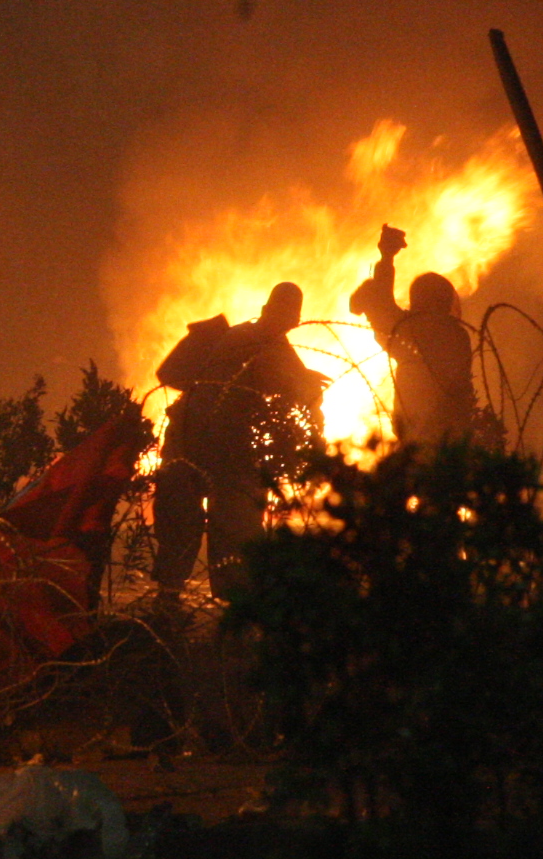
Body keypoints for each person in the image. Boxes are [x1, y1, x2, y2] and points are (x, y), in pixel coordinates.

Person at [151, 282, 324, 602]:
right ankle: (227, 619)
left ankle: (170, 602)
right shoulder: (264, 345)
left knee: (181, 528)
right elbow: (293, 388)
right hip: (225, 451)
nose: (293, 321)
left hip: (188, 441)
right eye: (291, 314)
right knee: (234, 533)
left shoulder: (242, 338)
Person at [346, 225, 478, 447]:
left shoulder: (429, 331)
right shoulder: (452, 332)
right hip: (446, 434)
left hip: (427, 436)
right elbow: (387, 316)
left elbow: (385, 314)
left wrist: (386, 259)